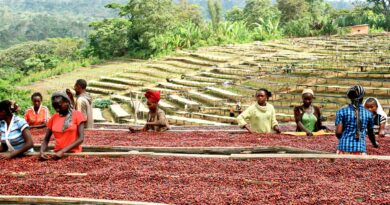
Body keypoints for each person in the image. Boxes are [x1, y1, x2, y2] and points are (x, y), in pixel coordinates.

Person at [40, 92, 86, 160]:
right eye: (55, 107)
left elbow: (81, 138)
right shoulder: (54, 117)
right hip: (57, 154)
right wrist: (41, 152)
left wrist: (63, 151)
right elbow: (46, 140)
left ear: (67, 102)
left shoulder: (77, 115)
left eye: (59, 106)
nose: (57, 110)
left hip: (74, 154)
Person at [335, 85, 378, 155]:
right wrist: (375, 143)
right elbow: (371, 133)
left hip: (343, 148)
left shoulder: (341, 112)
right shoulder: (368, 114)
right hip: (359, 149)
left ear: (350, 97)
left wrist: (344, 139)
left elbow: (338, 133)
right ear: (362, 97)